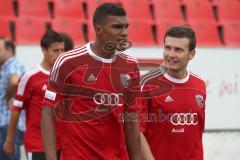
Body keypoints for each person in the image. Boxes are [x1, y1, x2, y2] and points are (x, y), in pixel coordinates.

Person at [41, 3, 141, 160]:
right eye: (117, 27)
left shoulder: (131, 65)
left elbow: (131, 119)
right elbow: (47, 112)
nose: (124, 33)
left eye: (126, 27)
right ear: (98, 29)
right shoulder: (68, 61)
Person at [140, 25, 206, 160]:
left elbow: (197, 132)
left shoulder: (200, 85)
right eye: (167, 48)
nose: (171, 54)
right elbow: (136, 132)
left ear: (191, 54)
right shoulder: (147, 83)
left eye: (178, 50)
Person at [3, 30, 65, 160]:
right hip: (38, 145)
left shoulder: (65, 76)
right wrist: (9, 140)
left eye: (62, 50)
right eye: (55, 50)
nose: (60, 54)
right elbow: (16, 109)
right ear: (44, 50)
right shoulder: (30, 77)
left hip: (63, 145)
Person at [0, 37, 25, 160]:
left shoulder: (13, 64)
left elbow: (14, 82)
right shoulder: (5, 66)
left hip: (9, 125)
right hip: (6, 125)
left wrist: (9, 97)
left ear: (9, 50)